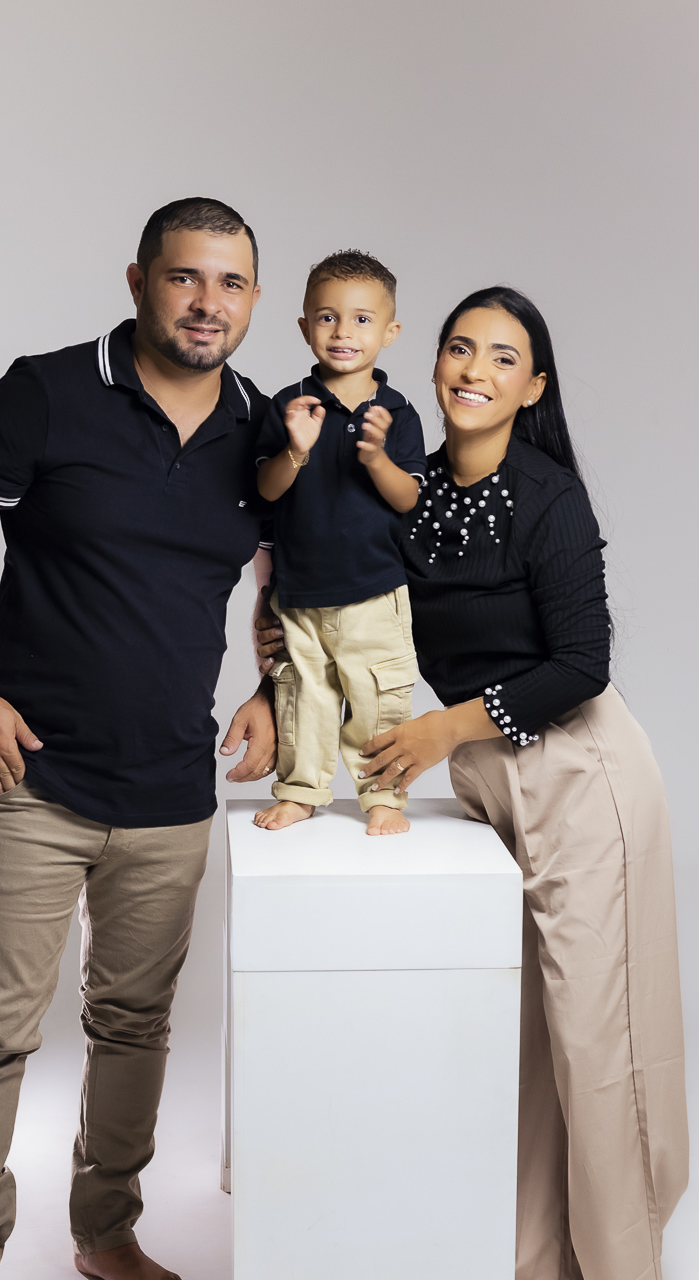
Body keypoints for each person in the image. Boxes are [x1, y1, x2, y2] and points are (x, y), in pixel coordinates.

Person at [257, 285, 688, 1280]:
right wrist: (265, 683)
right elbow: (329, 594)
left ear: (532, 387)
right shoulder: (406, 486)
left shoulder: (546, 496)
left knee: (599, 1047)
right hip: (490, 781)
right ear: (432, 360)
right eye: (460, 347)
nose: (474, 370)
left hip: (580, 773)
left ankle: (624, 1265)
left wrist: (443, 728)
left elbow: (581, 664)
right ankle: (541, 1264)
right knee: (532, 1049)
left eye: (502, 357)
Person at [0, 197, 277, 1280]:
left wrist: (273, 686)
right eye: (185, 276)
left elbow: (289, 574)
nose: (206, 302)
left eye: (231, 283)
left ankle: (105, 1237)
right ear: (140, 280)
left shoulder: (263, 429)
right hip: (28, 779)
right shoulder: (50, 392)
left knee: (135, 1027)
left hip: (172, 790)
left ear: (253, 299)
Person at [252, 250, 426, 836]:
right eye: (327, 317)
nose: (343, 332)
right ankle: (301, 792)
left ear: (389, 332)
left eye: (361, 319)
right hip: (300, 591)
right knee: (303, 698)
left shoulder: (398, 413)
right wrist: (295, 449)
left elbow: (407, 498)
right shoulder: (289, 405)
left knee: (378, 701)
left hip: (375, 591)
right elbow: (266, 490)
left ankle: (384, 797)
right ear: (305, 327)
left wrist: (377, 457)